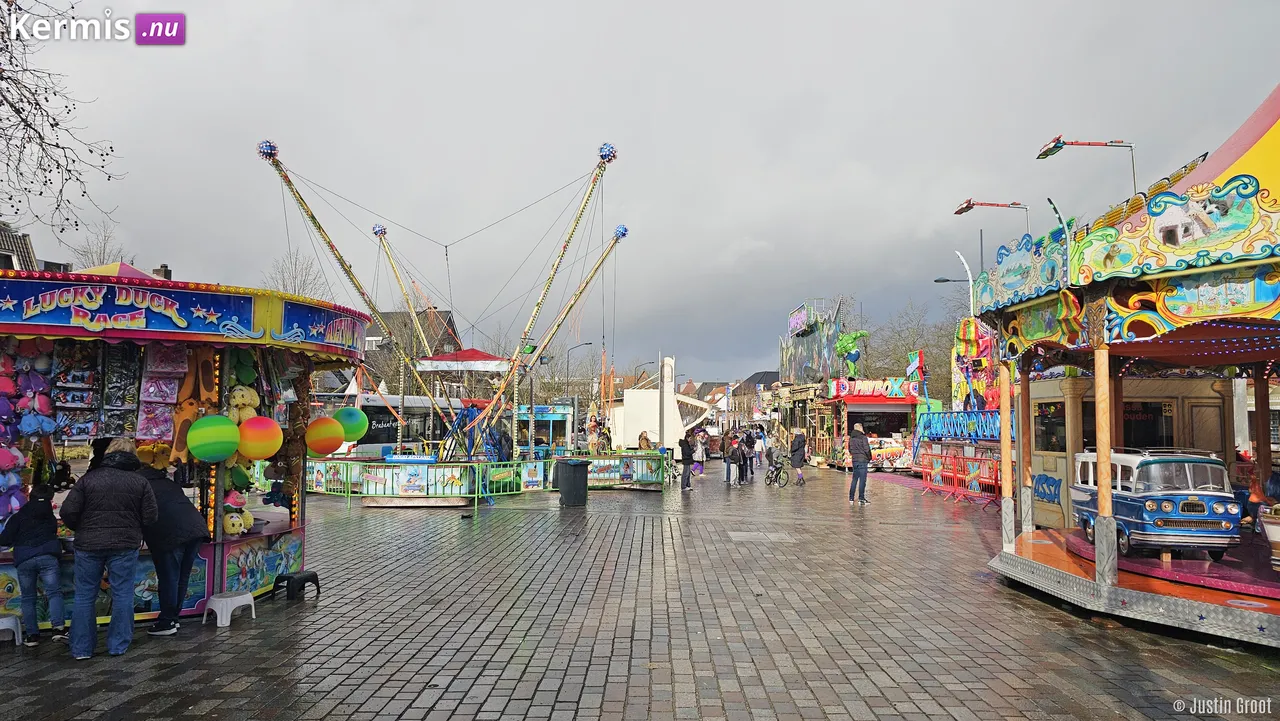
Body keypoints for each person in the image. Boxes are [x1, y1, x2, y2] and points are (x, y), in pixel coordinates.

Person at [60, 438, 158, 660]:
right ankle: (118, 646)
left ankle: (81, 649)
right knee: (123, 594)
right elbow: (151, 516)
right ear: (133, 455)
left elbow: (68, 512)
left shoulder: (88, 480)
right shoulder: (140, 482)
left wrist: (82, 528)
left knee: (85, 595)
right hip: (125, 544)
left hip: (88, 544)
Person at [140, 458, 211, 636]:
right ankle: (173, 618)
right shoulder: (167, 482)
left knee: (169, 577)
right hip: (195, 528)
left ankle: (167, 621)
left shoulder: (139, 484)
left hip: (170, 533)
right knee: (181, 576)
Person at [0, 484, 66, 646]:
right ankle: (58, 628)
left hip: (24, 558)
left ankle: (32, 635)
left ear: (30, 497)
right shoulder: (50, 517)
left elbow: (4, 539)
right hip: (48, 556)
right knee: (54, 593)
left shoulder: (18, 516)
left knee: (28, 598)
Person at [849, 423, 872, 504]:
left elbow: (850, 450)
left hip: (855, 460)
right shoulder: (863, 437)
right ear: (860, 428)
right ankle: (861, 498)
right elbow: (867, 449)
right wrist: (869, 457)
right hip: (863, 460)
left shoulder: (851, 438)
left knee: (854, 479)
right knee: (862, 480)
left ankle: (851, 498)